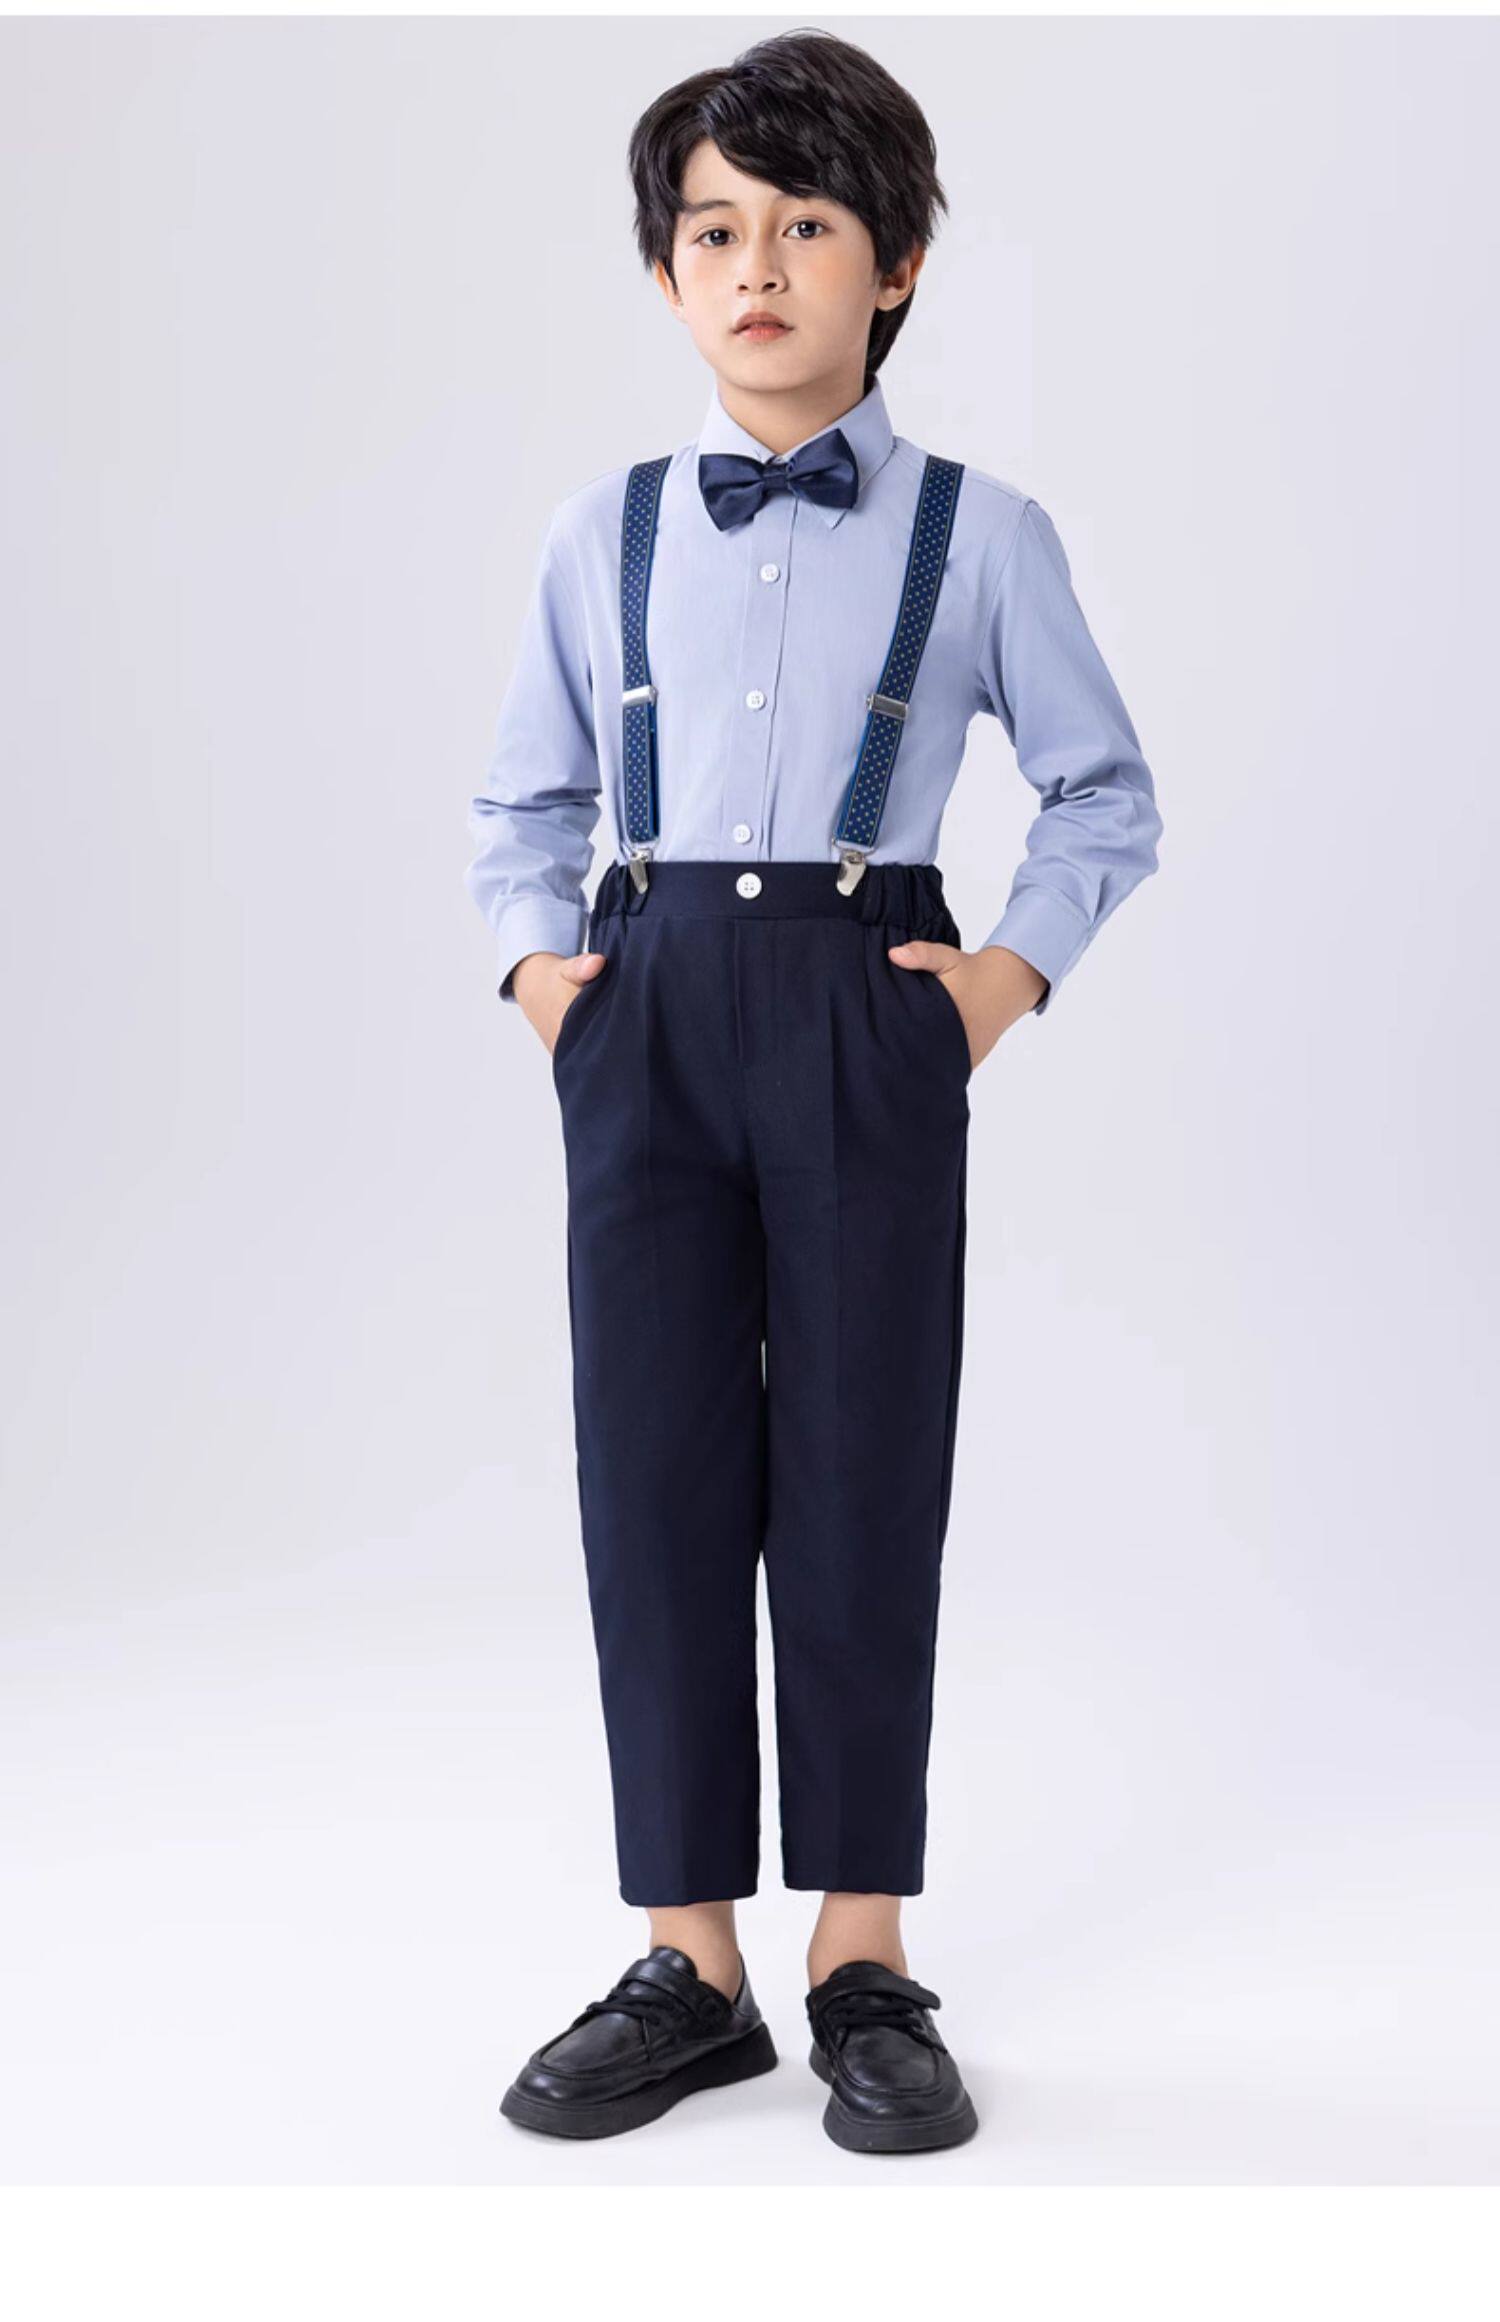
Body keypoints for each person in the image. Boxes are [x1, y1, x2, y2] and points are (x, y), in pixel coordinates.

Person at [464, 28, 1162, 2155]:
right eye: (712, 232)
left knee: (862, 1464)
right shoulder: (600, 532)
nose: (755, 268)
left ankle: (863, 1950)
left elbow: (1103, 789)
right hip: (650, 1005)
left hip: (870, 1002)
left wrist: (995, 987)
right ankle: (691, 1963)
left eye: (805, 225)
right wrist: (547, 980)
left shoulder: (982, 533)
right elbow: (524, 800)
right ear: (666, 271)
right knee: (652, 1470)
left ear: (901, 262)